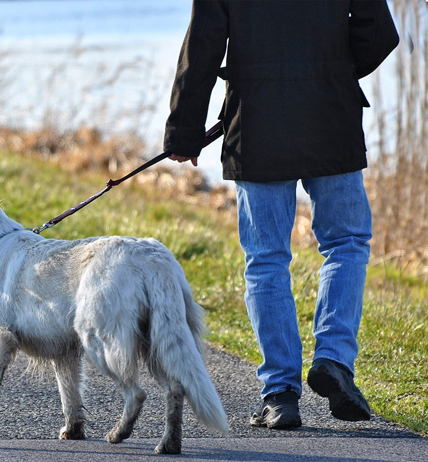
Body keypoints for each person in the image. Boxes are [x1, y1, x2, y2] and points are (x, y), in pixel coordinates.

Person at [164, 0, 399, 428]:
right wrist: (333, 71)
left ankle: (280, 394)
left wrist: (184, 130)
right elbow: (380, 35)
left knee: (267, 258)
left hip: (257, 124)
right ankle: (333, 360)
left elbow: (203, 46)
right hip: (332, 116)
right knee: (346, 244)